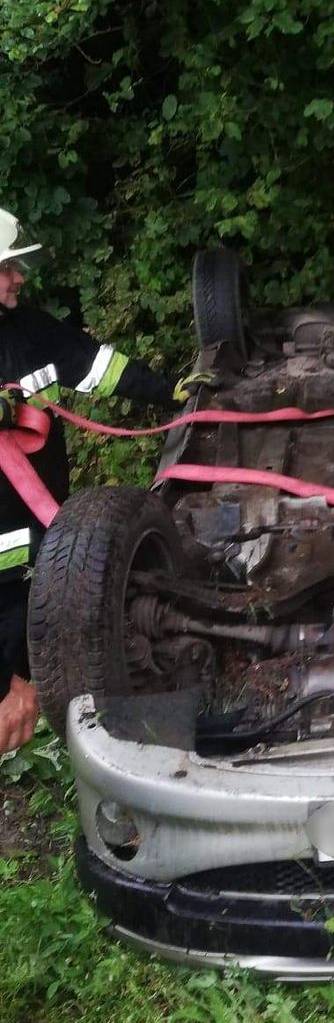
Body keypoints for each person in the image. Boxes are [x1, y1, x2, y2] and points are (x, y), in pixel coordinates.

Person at [0, 208, 207, 752]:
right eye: (6, 268)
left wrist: (174, 391)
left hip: (50, 547)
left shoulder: (33, 333)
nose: (19, 277)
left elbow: (100, 368)